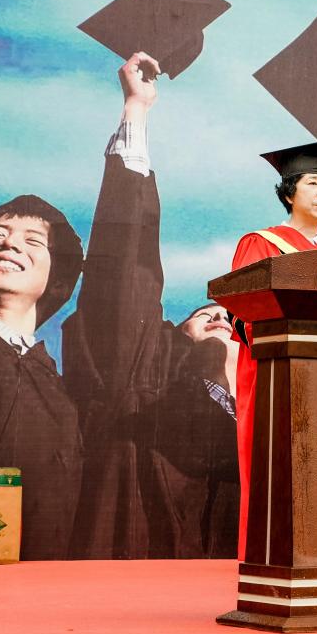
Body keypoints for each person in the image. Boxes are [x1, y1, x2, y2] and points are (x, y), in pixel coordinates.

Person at [63, 52, 239, 558]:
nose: (218, 317)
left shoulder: (258, 410)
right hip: (137, 558)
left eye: (229, 320)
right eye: (203, 314)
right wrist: (136, 112)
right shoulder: (147, 373)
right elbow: (125, 278)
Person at [229, 137, 317, 558]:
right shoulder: (260, 243)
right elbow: (241, 313)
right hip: (274, 375)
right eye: (313, 183)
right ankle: (270, 557)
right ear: (289, 193)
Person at [0, 194, 83, 559]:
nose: (10, 243)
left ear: (58, 277)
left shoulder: (55, 384)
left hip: (37, 576)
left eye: (34, 240)